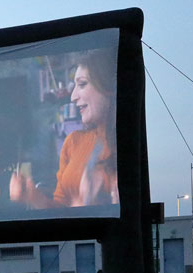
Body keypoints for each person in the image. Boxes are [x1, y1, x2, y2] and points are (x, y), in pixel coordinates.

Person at [10, 48, 119, 209]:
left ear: (108, 87)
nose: (73, 96)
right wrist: (34, 198)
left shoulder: (131, 142)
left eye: (82, 84)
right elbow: (60, 207)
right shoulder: (73, 141)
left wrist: (95, 204)